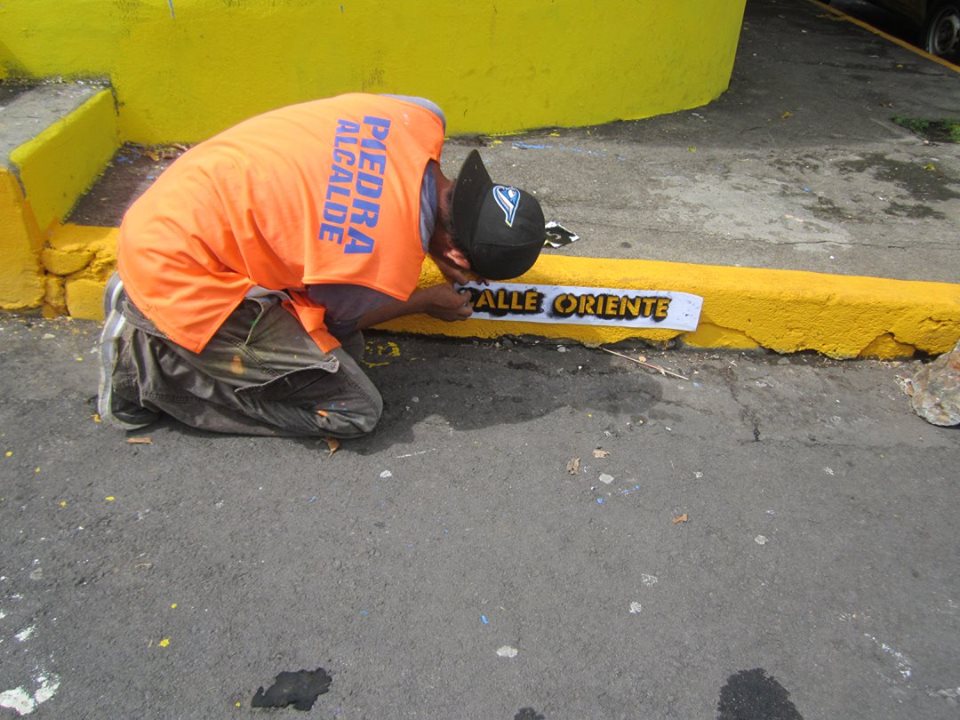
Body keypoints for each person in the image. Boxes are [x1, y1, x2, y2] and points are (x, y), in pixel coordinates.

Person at [97, 93, 545, 438]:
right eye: (471, 274)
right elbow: (333, 321)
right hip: (175, 267)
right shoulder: (374, 261)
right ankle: (145, 371)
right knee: (354, 409)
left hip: (178, 201)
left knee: (340, 356)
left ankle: (158, 315)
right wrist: (423, 301)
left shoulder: (418, 117)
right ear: (456, 257)